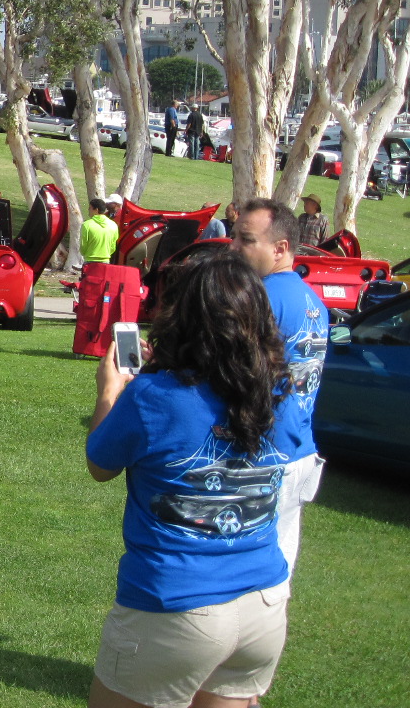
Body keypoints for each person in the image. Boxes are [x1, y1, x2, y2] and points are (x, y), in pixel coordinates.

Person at [85, 248, 293, 708]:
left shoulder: (153, 396)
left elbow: (101, 465)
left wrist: (109, 392)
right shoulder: (278, 387)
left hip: (176, 604)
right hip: (263, 602)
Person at [230, 198, 328, 579]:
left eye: (245, 239)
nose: (234, 247)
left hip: (264, 455)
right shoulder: (313, 302)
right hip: (300, 452)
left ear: (281, 248)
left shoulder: (262, 299)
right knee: (277, 573)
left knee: (239, 576)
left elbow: (233, 375)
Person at [79, 197, 120, 266]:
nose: (88, 210)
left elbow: (83, 245)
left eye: (90, 208)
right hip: (106, 260)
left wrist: (86, 253)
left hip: (90, 260)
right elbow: (113, 246)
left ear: (96, 210)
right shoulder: (113, 225)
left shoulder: (87, 225)